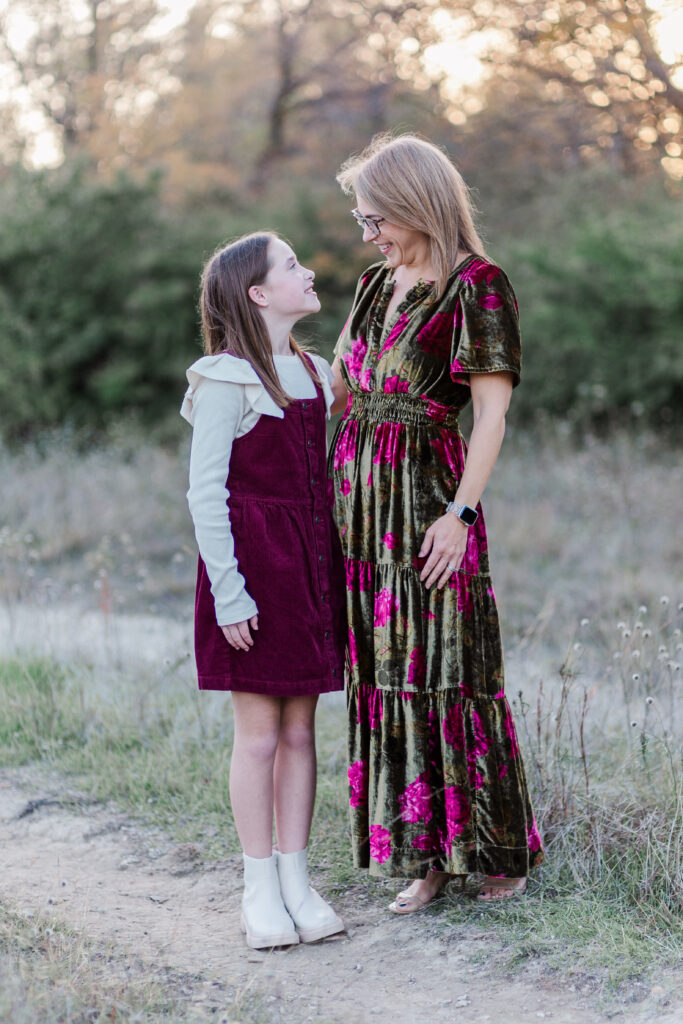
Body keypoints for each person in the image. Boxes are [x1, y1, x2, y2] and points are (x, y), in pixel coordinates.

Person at [328, 134, 544, 912]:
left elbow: (490, 415)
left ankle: (491, 849)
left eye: (374, 217)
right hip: (358, 512)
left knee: (448, 671)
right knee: (386, 676)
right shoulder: (371, 284)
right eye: (362, 221)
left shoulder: (477, 287)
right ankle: (425, 858)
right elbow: (339, 389)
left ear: (417, 202)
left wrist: (459, 513)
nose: (368, 234)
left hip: (425, 505)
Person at [181, 232, 346, 947]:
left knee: (301, 730)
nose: (307, 272)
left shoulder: (318, 370)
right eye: (291, 266)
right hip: (252, 568)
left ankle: (296, 881)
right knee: (258, 737)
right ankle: (257, 893)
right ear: (257, 293)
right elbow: (204, 491)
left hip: (310, 562)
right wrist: (230, 592)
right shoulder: (225, 376)